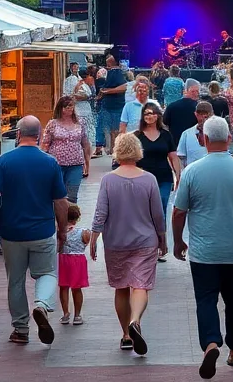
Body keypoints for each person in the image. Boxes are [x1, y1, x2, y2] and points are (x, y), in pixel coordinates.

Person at [173, 118, 233, 378]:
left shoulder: (192, 171)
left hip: (203, 253)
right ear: (229, 140)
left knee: (205, 299)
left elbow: (179, 211)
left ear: (202, 140)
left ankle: (211, 343)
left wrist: (177, 241)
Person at [0, 116, 69, 346]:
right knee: (48, 273)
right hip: (42, 231)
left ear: (19, 134)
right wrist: (62, 230)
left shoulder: (4, 162)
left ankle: (21, 329)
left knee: (15, 281)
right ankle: (42, 304)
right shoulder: (50, 162)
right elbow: (60, 201)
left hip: (11, 233)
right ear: (39, 135)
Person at [91, 132, 167, 355]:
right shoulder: (149, 179)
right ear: (138, 151)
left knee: (121, 287)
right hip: (145, 241)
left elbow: (101, 212)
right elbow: (158, 215)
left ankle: (126, 333)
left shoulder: (108, 180)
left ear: (117, 151)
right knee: (141, 285)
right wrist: (163, 239)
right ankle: (136, 321)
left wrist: (95, 237)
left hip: (116, 241)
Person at [41, 96, 92, 203]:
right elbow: (45, 144)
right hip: (56, 164)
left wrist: (87, 163)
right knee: (57, 196)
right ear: (60, 108)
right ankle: (58, 217)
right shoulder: (52, 124)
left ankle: (71, 218)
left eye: (71, 106)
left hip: (76, 163)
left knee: (72, 196)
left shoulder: (80, 123)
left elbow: (85, 143)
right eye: (66, 106)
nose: (69, 109)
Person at [134, 102, 179, 219]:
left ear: (158, 115)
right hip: (142, 178)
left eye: (152, 113)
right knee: (145, 211)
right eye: (146, 114)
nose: (149, 116)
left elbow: (173, 156)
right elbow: (132, 158)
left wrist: (178, 176)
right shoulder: (137, 136)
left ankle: (161, 236)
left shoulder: (166, 135)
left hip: (164, 178)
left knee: (161, 209)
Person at [58, 204, 91, 326]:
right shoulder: (84, 232)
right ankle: (77, 315)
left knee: (63, 287)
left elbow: (57, 247)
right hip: (78, 260)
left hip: (63, 259)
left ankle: (66, 313)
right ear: (77, 218)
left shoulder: (60, 232)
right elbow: (87, 242)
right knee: (77, 288)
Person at [97, 56, 128, 154]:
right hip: (114, 104)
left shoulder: (113, 72)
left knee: (109, 128)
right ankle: (112, 149)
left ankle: (112, 149)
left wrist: (107, 91)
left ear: (110, 63)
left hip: (113, 105)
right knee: (113, 129)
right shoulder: (118, 72)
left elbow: (124, 87)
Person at [176, 100, 212, 170]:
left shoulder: (218, 133)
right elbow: (181, 157)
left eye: (207, 116)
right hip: (192, 174)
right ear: (196, 114)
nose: (204, 118)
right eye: (201, 115)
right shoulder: (186, 134)